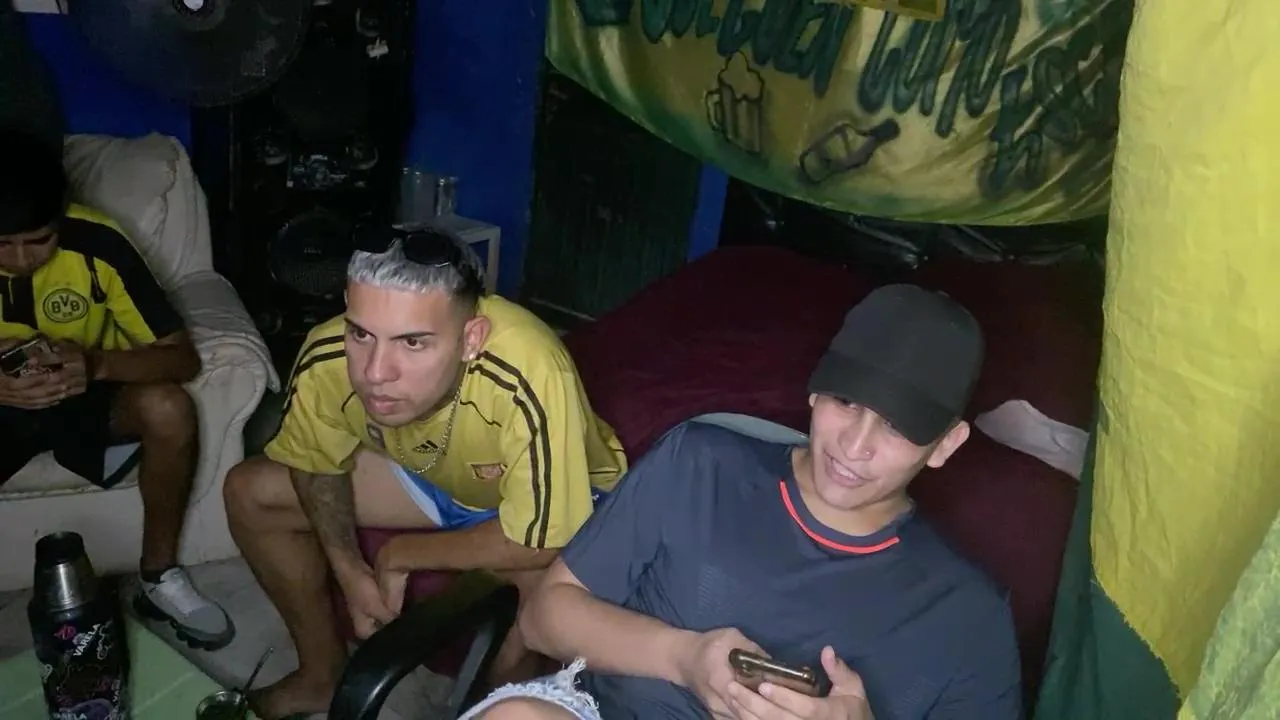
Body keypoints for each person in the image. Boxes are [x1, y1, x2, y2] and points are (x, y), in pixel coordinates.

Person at [461, 285, 1024, 720]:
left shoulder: (967, 615)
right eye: (846, 401)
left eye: (897, 427)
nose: (855, 446)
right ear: (815, 388)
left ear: (945, 444)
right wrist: (685, 658)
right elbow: (544, 618)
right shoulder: (701, 466)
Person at [222, 226, 628, 719]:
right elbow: (315, 462)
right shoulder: (326, 356)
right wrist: (348, 568)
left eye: (413, 342)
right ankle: (320, 676)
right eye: (361, 333)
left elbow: (540, 538)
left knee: (517, 653)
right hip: (438, 477)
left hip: (564, 502)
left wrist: (399, 555)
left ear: (471, 339)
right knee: (251, 492)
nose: (375, 372)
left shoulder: (533, 369)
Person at [0, 127, 233, 649]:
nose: (20, 260)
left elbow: (182, 357)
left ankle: (160, 576)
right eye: (2, 245)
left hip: (86, 394)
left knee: (169, 407)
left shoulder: (98, 242)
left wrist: (96, 363)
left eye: (38, 241)